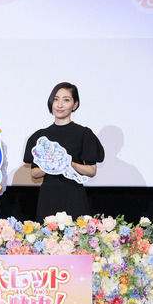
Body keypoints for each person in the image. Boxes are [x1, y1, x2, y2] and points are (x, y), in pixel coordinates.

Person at [23, 82, 104, 222]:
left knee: (76, 233)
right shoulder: (40, 136)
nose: (59, 105)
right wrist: (52, 165)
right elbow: (34, 174)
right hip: (49, 195)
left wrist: (69, 163)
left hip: (74, 194)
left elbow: (91, 171)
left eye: (66, 100)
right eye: (56, 99)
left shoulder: (83, 134)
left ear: (75, 105)